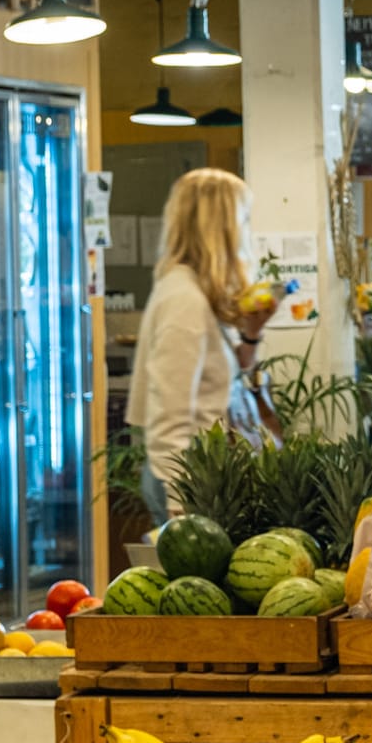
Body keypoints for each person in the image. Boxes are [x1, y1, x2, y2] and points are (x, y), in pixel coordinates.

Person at [129, 169, 278, 521]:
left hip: (199, 474)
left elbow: (213, 385)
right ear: (221, 228)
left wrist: (251, 336)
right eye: (242, 218)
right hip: (187, 480)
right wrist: (179, 509)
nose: (247, 230)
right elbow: (169, 417)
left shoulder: (194, 291)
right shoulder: (185, 301)